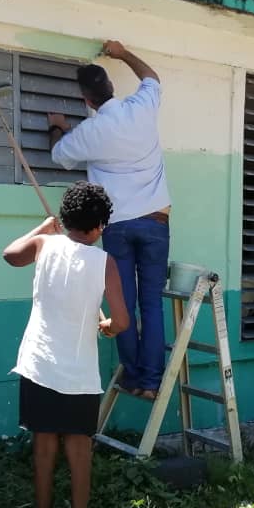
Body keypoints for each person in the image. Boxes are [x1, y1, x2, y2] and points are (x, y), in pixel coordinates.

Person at [3, 181, 129, 508]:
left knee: (43, 448)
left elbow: (11, 254)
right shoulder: (105, 262)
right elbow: (120, 322)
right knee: (79, 452)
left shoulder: (45, 244)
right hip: (79, 374)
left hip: (39, 365)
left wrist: (43, 229)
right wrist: (105, 327)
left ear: (65, 217)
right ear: (101, 226)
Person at [47, 40, 169, 401]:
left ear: (87, 101)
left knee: (123, 303)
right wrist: (123, 52)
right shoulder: (140, 107)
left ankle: (133, 378)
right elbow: (152, 78)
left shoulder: (90, 133)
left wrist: (58, 127)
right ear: (112, 89)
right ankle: (151, 381)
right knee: (152, 303)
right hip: (155, 222)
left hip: (116, 226)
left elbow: (59, 155)